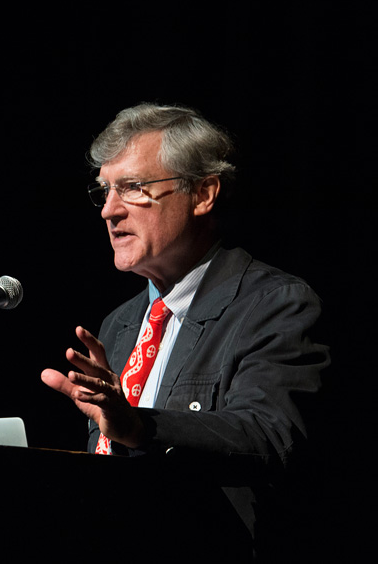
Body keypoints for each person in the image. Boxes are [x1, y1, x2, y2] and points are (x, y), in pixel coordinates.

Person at [40, 103, 329, 561]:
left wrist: (140, 426)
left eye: (133, 188)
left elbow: (269, 436)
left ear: (203, 194)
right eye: (105, 191)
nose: (109, 212)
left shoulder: (274, 304)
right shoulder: (118, 324)